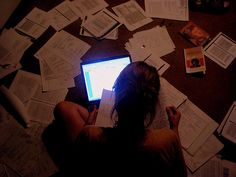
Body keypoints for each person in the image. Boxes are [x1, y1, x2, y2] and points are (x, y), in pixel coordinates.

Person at [53, 61, 187, 176]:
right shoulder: (167, 139)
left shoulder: (90, 134)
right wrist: (174, 127)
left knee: (62, 109)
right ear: (152, 107)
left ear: (116, 96)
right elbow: (181, 175)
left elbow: (78, 163)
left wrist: (88, 125)